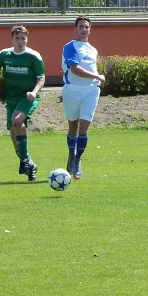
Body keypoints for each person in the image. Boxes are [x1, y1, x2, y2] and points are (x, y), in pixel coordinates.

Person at [0, 25, 45, 181]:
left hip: (28, 97)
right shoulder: (4, 54)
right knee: (13, 133)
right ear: (12, 39)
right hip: (11, 98)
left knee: (17, 120)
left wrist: (34, 92)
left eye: (23, 38)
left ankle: (24, 161)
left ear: (27, 39)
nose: (20, 41)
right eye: (17, 38)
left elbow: (41, 78)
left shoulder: (34, 56)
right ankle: (29, 162)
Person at [61, 15, 105, 180]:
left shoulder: (93, 50)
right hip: (72, 90)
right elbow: (74, 69)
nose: (84, 29)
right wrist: (97, 75)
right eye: (81, 26)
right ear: (75, 29)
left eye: (86, 27)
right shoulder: (70, 46)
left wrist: (97, 79)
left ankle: (77, 161)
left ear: (90, 29)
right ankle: (71, 154)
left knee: (84, 128)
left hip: (91, 91)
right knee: (73, 128)